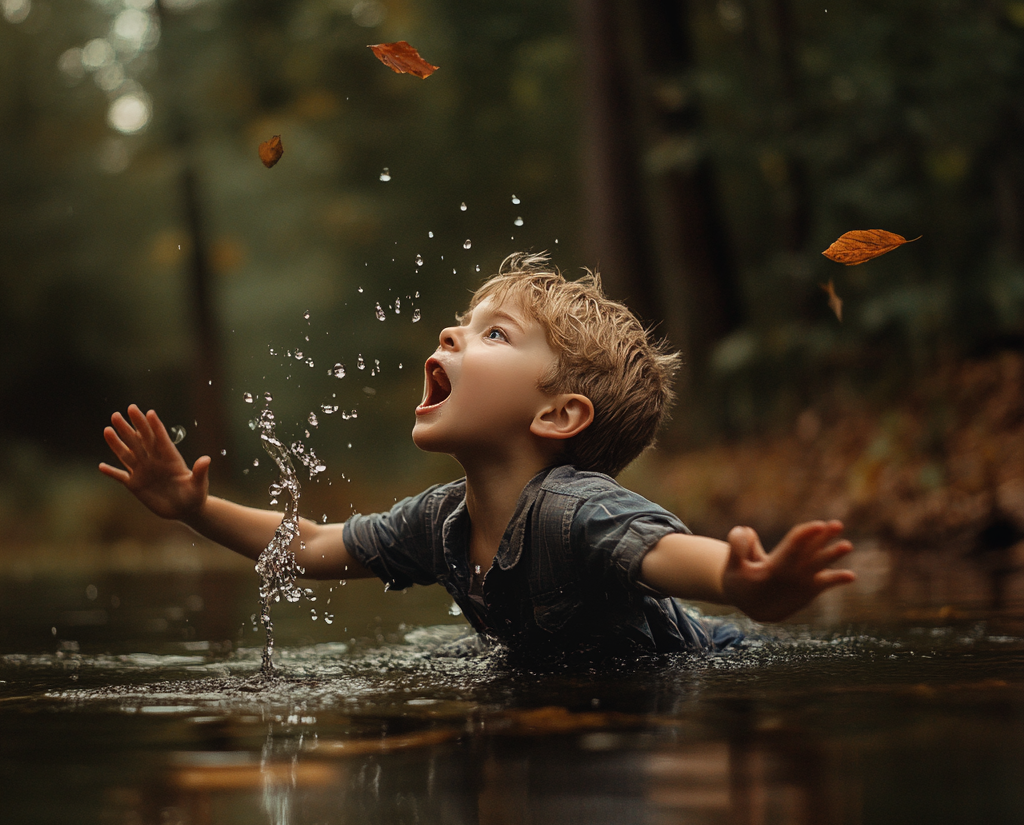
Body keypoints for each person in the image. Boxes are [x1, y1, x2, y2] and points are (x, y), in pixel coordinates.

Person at [100, 253, 854, 658]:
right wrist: (195, 509)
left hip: (692, 669)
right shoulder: (441, 522)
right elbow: (313, 545)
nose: (452, 336)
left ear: (559, 414)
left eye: (494, 334)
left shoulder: (574, 507)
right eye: (463, 324)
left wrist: (742, 582)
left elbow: (668, 555)